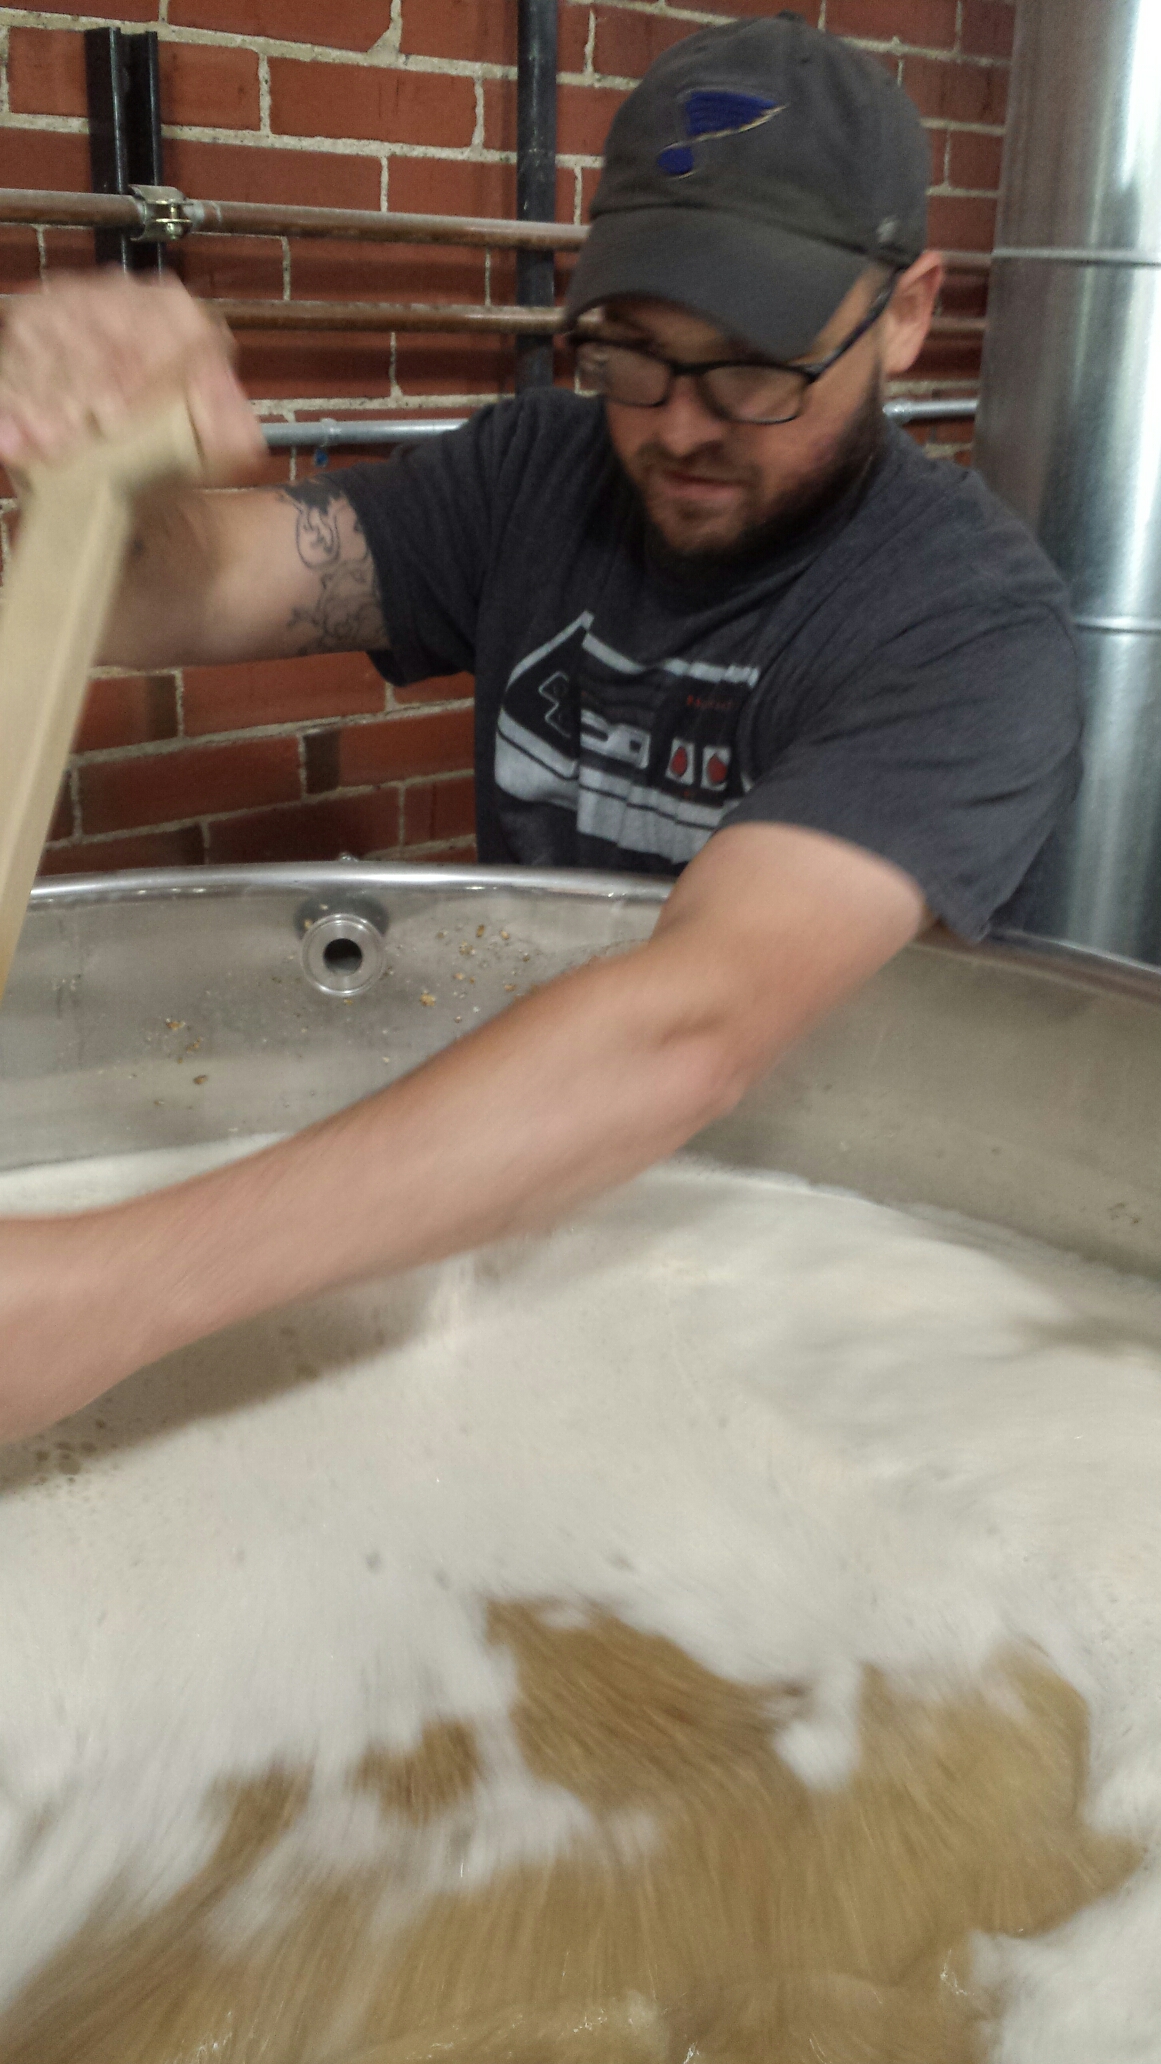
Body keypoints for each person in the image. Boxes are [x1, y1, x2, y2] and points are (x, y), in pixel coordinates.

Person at [0, 15, 1079, 1442]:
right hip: (485, 1191)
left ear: (904, 313)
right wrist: (96, 462)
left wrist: (111, 1294)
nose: (677, 427)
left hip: (793, 1278)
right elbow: (177, 597)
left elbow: (693, 1029)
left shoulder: (965, 627)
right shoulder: (538, 477)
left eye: (753, 368)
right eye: (631, 352)